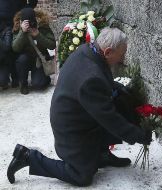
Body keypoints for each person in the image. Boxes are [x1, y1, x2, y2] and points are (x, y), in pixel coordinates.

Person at [7, 28, 152, 187]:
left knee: (118, 102)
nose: (123, 58)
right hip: (71, 129)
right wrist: (138, 135)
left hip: (80, 113)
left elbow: (105, 89)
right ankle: (28, 157)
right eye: (122, 54)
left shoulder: (89, 50)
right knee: (81, 176)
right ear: (108, 52)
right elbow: (109, 118)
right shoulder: (91, 78)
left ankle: (102, 155)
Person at [12, 8, 56, 94]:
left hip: (39, 59)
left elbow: (52, 45)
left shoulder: (42, 25)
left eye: (31, 21)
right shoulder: (18, 26)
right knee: (21, 59)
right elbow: (15, 48)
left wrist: (38, 35)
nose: (30, 24)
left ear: (35, 18)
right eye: (26, 22)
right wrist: (22, 32)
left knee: (39, 84)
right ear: (21, 22)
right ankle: (23, 84)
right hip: (25, 58)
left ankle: (44, 77)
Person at [0, 19, 15, 90]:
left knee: (2, 81)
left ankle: (5, 79)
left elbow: (7, 47)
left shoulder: (7, 30)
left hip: (3, 61)